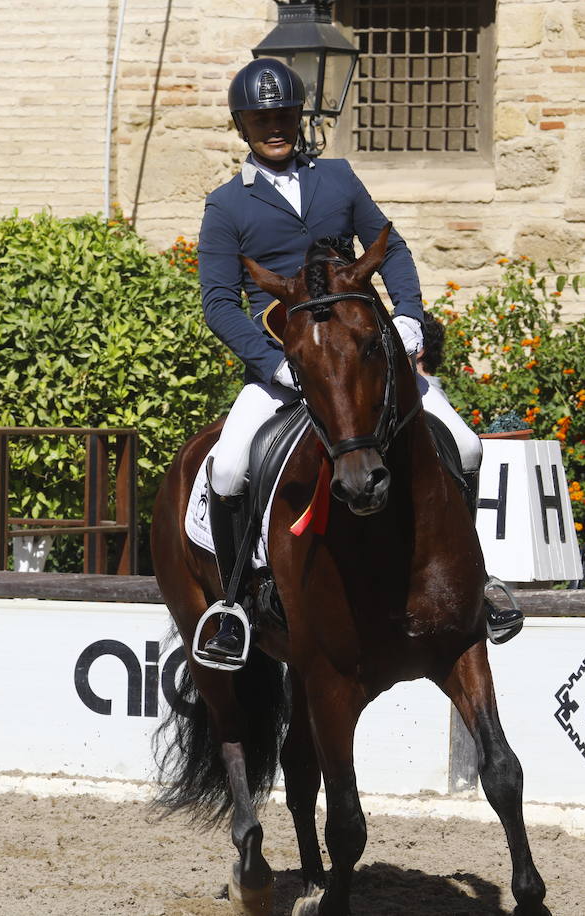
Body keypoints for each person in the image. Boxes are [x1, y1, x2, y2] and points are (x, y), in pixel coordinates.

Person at [195, 58, 518, 665]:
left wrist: (409, 316)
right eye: (262, 118)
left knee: (467, 446)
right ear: (243, 125)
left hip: (360, 358)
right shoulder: (226, 207)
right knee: (231, 467)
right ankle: (235, 606)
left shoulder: (338, 178)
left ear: (298, 117)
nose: (275, 127)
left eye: (284, 115)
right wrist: (273, 364)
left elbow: (388, 247)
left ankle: (478, 577)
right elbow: (219, 304)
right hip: (287, 363)